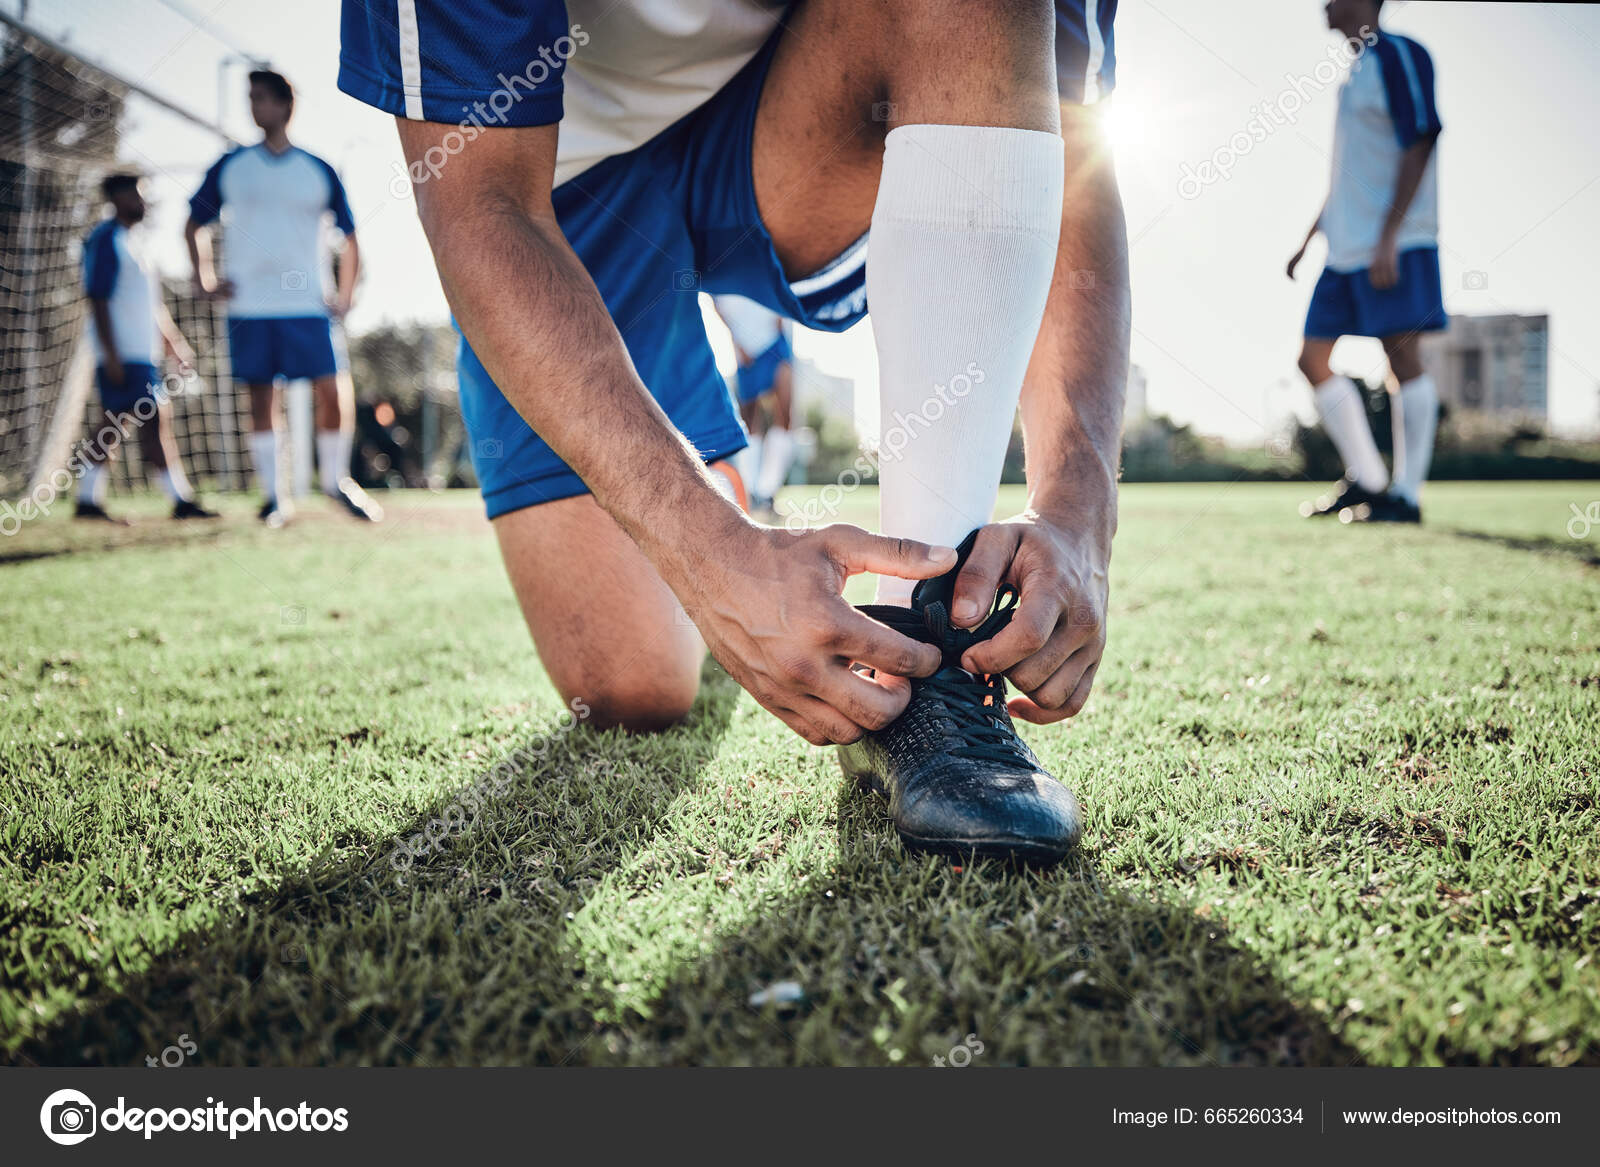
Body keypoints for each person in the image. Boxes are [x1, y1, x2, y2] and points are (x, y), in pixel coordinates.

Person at [339, 0, 1126, 863]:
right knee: (630, 688)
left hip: (792, 115)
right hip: (557, 179)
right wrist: (708, 552)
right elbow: (478, 201)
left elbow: (1067, 127)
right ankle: (731, 526)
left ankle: (922, 652)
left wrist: (1082, 508)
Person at [185, 69, 382, 527]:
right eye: (250, 98)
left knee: (333, 391)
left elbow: (351, 237)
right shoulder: (230, 166)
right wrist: (206, 279)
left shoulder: (317, 169)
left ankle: (336, 483)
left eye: (261, 99)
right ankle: (275, 497)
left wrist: (346, 294)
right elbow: (193, 224)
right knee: (260, 399)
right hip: (250, 306)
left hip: (308, 304)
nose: (254, 107)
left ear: (284, 106)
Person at [1289, 0, 1445, 524]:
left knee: (1401, 359)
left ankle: (1406, 496)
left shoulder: (1399, 54)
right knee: (1311, 359)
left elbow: (1422, 137)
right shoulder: (1352, 75)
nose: (1324, 4)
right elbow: (1349, 174)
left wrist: (1390, 234)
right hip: (1343, 248)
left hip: (1394, 243)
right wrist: (1310, 235)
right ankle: (1370, 481)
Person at [77, 173, 219, 524]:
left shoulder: (136, 243)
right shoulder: (106, 238)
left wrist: (173, 342)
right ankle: (180, 499)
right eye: (134, 197)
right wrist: (110, 354)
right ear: (116, 198)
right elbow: (96, 298)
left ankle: (87, 500)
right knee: (152, 416)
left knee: (115, 422)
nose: (141, 203)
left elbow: (151, 305)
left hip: (143, 352)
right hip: (122, 352)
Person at [713, 294, 794, 517]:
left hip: (775, 342)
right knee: (750, 423)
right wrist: (737, 345)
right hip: (745, 350)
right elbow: (717, 306)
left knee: (786, 416)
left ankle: (768, 491)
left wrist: (780, 312)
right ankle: (751, 491)